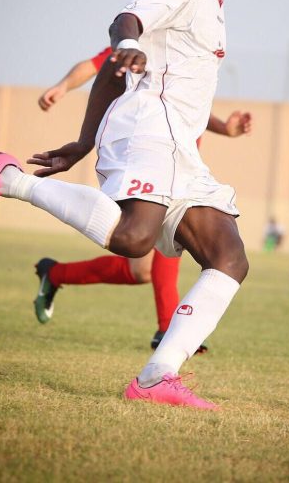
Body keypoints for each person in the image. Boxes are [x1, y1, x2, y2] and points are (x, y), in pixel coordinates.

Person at [0, 0, 289, 410]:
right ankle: (8, 178)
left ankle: (156, 377)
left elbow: (115, 71)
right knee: (133, 239)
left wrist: (83, 142)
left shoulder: (213, 3)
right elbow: (124, 26)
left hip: (182, 151)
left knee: (229, 257)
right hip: (147, 129)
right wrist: (127, 44)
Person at [35, 48, 252, 355]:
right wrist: (63, 86)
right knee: (168, 238)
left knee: (141, 270)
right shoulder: (146, 38)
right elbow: (99, 64)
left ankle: (55, 274)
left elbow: (188, 105)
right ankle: (167, 330)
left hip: (181, 165)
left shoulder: (192, 46)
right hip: (146, 160)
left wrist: (225, 129)